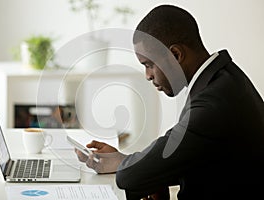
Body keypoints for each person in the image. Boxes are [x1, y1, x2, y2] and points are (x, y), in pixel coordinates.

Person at [75, 5, 264, 200]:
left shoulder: (212, 104)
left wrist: (131, 167)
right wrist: (125, 161)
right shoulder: (225, 78)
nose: (147, 76)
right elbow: (187, 153)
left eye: (149, 65)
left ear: (175, 55)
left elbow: (129, 178)